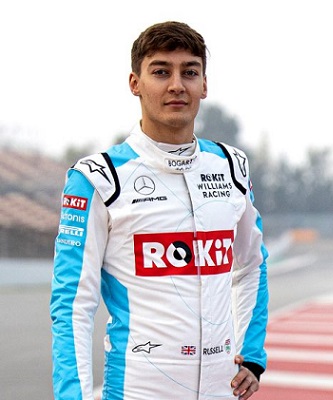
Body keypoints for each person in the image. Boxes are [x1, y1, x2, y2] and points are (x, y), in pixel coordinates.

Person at [50, 21, 269, 399]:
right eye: (161, 72)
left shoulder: (232, 166)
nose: (177, 85)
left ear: (204, 85)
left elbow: (251, 265)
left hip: (222, 389)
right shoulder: (98, 178)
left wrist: (251, 354)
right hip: (138, 389)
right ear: (135, 83)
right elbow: (73, 304)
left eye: (190, 72)